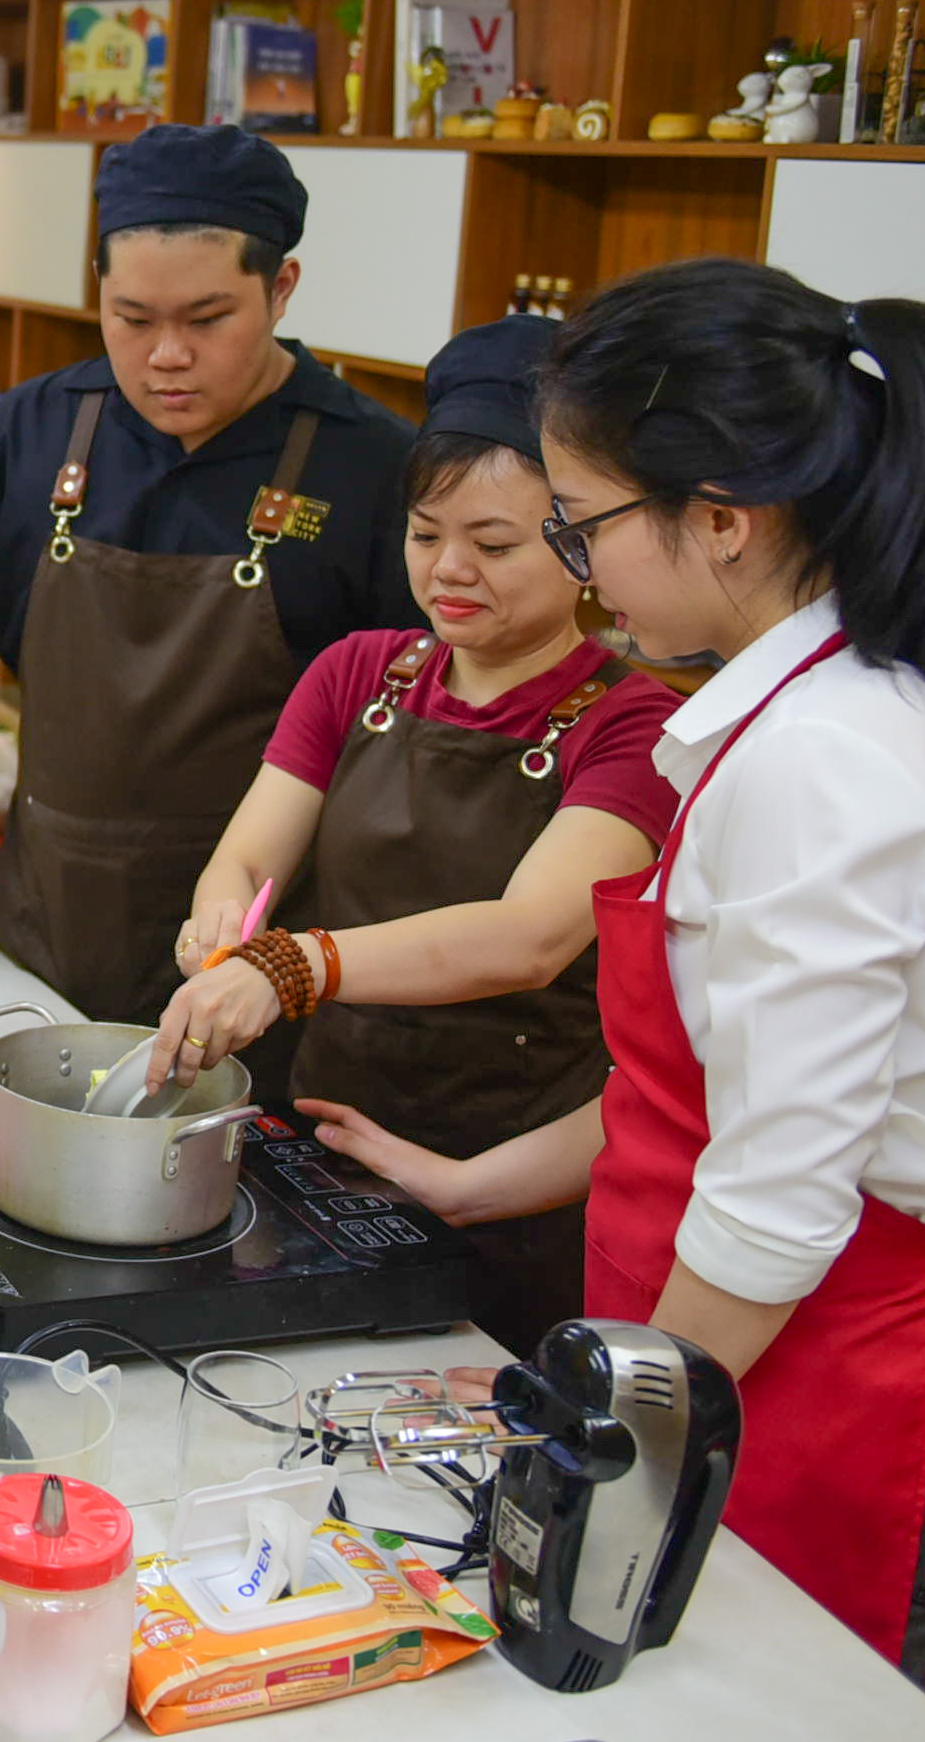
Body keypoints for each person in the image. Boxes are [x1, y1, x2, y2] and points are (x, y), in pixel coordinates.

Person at [299, 258, 925, 1684]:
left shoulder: (828, 769)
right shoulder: (781, 721)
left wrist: (602, 1451)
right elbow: (697, 1092)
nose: (576, 566)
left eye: (580, 527)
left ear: (725, 523)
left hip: (800, 1392)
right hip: (717, 1353)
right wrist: (471, 1184)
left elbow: (775, 1204)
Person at [0, 124, 421, 1021]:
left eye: (207, 320)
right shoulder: (34, 430)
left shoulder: (375, 465)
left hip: (263, 949)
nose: (166, 355)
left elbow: (404, 742)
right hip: (46, 917)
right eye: (133, 318)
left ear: (281, 288)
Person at [144, 316, 679, 1358]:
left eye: (492, 545)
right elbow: (249, 854)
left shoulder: (633, 726)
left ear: (578, 544)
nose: (447, 571)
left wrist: (294, 962)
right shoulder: (358, 672)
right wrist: (222, 919)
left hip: (515, 1171)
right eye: (424, 533)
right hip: (329, 1136)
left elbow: (528, 934)